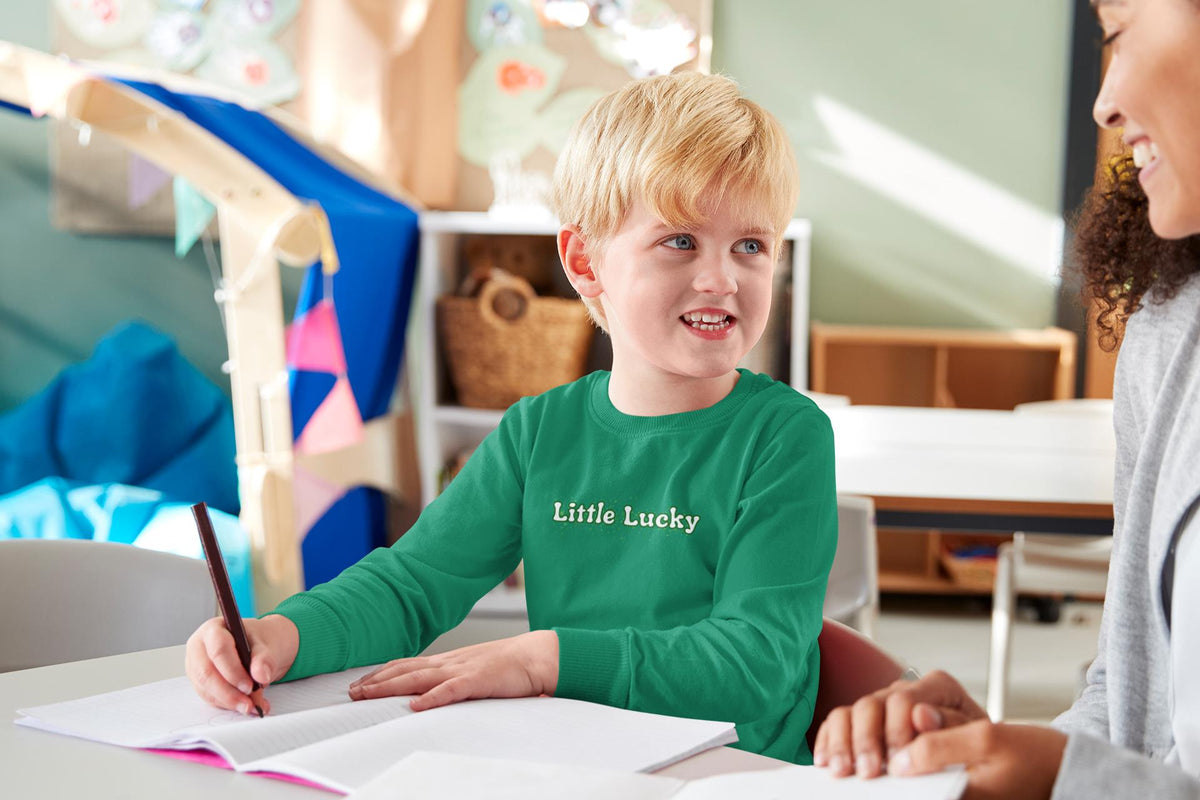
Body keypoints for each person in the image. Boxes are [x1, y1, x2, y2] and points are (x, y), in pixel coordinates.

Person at [186, 71, 838, 765]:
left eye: (751, 246)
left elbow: (753, 664)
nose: (722, 278)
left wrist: (543, 660)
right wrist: (285, 635)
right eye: (680, 241)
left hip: (733, 773)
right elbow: (413, 585)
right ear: (585, 261)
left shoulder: (785, 437)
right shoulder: (539, 433)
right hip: (575, 759)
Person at [812, 0, 1200, 796]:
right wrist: (999, 747)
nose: (1105, 102)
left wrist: (1059, 779)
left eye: (1119, 32)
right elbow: (1130, 709)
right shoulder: (1168, 326)